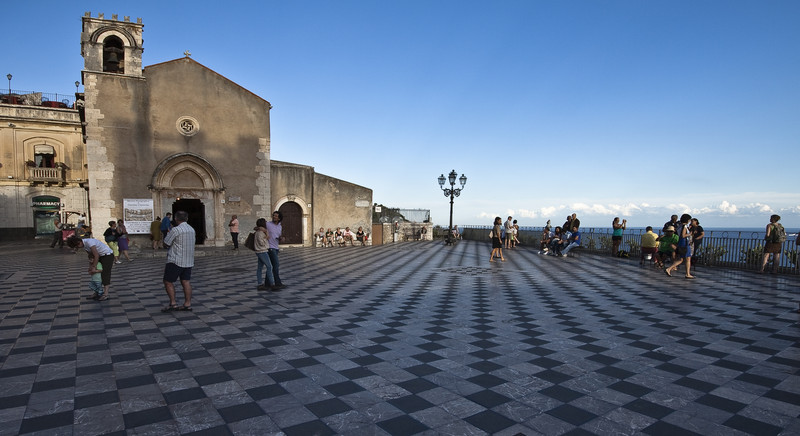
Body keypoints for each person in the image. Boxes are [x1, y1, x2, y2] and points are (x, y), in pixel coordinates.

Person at [161, 211, 195, 312]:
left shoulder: (176, 230)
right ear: (187, 219)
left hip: (176, 259)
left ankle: (173, 303)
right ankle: (187, 303)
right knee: (186, 281)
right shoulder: (191, 229)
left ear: (176, 219)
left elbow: (166, 243)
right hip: (188, 260)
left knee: (168, 281)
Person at [67, 235, 114, 301]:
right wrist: (90, 267)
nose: (78, 247)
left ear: (79, 242)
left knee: (105, 274)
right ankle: (97, 292)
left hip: (107, 255)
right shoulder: (85, 246)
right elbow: (91, 257)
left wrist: (94, 267)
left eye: (77, 245)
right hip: (100, 256)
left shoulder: (89, 242)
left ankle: (106, 294)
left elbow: (96, 255)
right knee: (96, 275)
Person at [666, 214, 694, 278]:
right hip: (685, 243)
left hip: (681, 243)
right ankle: (687, 273)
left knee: (681, 259)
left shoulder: (679, 226)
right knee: (687, 259)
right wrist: (689, 234)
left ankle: (670, 268)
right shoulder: (684, 226)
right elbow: (683, 235)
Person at [254, 218, 275, 290]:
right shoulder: (259, 233)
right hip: (262, 251)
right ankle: (272, 283)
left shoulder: (260, 232)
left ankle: (260, 283)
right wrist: (266, 237)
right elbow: (261, 243)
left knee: (259, 268)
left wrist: (266, 233)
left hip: (261, 251)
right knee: (269, 266)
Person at [266, 211, 285, 288]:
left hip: (276, 247)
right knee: (276, 265)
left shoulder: (280, 226)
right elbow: (257, 227)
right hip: (270, 247)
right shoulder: (268, 224)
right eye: (274, 216)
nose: (274, 217)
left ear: (279, 218)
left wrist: (281, 238)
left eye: (276, 216)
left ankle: (267, 283)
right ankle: (277, 282)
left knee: (271, 266)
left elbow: (278, 236)